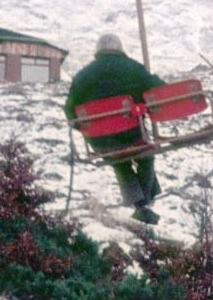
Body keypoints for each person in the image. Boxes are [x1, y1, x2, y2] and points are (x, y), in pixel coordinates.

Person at [65, 33, 166, 223]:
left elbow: (69, 111)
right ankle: (145, 202)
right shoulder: (133, 68)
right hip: (131, 135)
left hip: (101, 141)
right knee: (145, 156)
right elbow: (160, 90)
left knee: (119, 161)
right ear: (120, 49)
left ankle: (139, 205)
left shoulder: (80, 77)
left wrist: (90, 129)